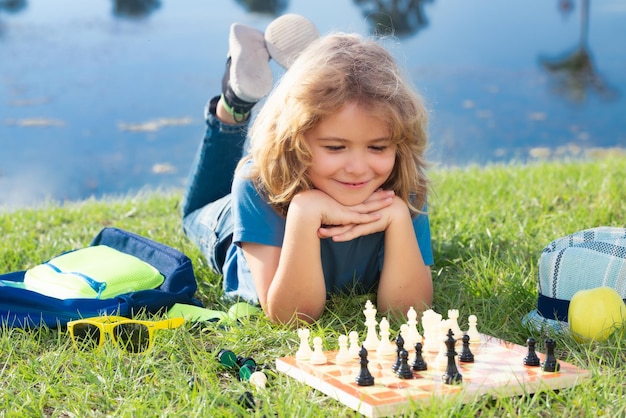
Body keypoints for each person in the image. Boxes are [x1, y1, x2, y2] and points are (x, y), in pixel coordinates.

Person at [182, 14, 434, 324]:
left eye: (378, 147)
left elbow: (410, 314)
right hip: (234, 218)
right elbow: (292, 317)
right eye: (335, 148)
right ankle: (237, 99)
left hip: (308, 161)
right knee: (193, 214)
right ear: (294, 142)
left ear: (399, 143)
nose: (358, 168)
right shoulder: (256, 189)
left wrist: (397, 217)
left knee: (340, 103)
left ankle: (314, 74)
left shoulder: (402, 186)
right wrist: (303, 212)